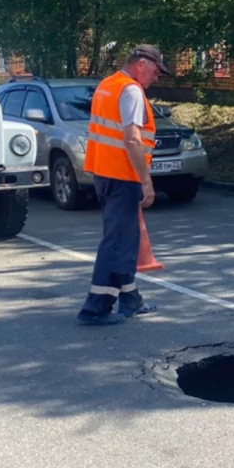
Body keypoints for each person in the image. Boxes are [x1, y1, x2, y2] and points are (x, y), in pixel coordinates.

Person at [76, 45, 172, 326]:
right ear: (142, 64)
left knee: (124, 240)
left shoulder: (107, 85)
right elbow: (131, 139)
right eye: (155, 71)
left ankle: (130, 300)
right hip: (122, 175)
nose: (156, 77)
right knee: (117, 243)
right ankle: (95, 308)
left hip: (104, 174)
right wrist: (146, 180)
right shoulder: (130, 90)